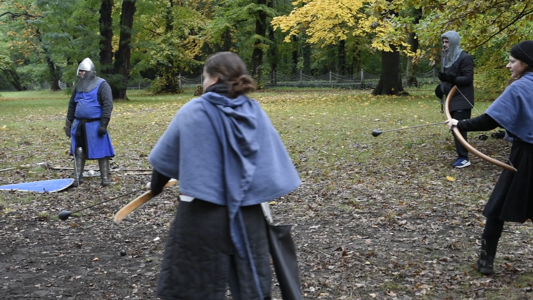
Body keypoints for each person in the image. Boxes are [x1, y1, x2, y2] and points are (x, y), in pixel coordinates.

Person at [147, 52, 301, 299]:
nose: (203, 83)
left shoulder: (193, 110)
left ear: (215, 78)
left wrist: (156, 187)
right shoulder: (255, 111)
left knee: (193, 288)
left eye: (205, 77)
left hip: (201, 218)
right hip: (249, 216)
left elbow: (163, 164)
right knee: (251, 290)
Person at [446, 40, 533, 275]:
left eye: (513, 61)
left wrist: (459, 123)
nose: (508, 65)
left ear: (526, 63)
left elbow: (489, 120)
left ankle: (485, 262)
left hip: (526, 156)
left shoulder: (520, 87)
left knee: (496, 209)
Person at [64, 58, 115, 187]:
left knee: (102, 152)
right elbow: (72, 105)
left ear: (90, 72)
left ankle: (105, 178)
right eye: (80, 71)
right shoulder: (79, 86)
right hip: (79, 124)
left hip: (95, 124)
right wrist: (68, 124)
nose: (81, 74)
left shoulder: (102, 84)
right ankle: (77, 177)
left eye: (83, 71)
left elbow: (107, 105)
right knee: (79, 150)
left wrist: (104, 124)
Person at [435, 30, 475, 168]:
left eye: (447, 42)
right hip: (451, 100)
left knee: (459, 127)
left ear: (454, 42)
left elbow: (468, 79)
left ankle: (464, 158)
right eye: (443, 42)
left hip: (463, 100)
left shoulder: (465, 57)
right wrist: (441, 89)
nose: (444, 45)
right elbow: (448, 82)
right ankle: (461, 156)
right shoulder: (447, 58)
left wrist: (450, 79)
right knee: (454, 128)